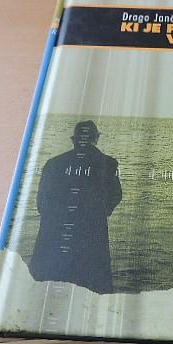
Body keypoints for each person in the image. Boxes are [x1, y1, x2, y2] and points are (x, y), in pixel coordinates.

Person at [29, 120, 122, 293]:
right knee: (91, 286)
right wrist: (99, 213)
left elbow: (42, 201)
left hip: (55, 233)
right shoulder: (108, 164)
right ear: (96, 138)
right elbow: (116, 196)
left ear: (74, 139)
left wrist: (55, 218)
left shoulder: (53, 163)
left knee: (49, 284)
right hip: (92, 233)